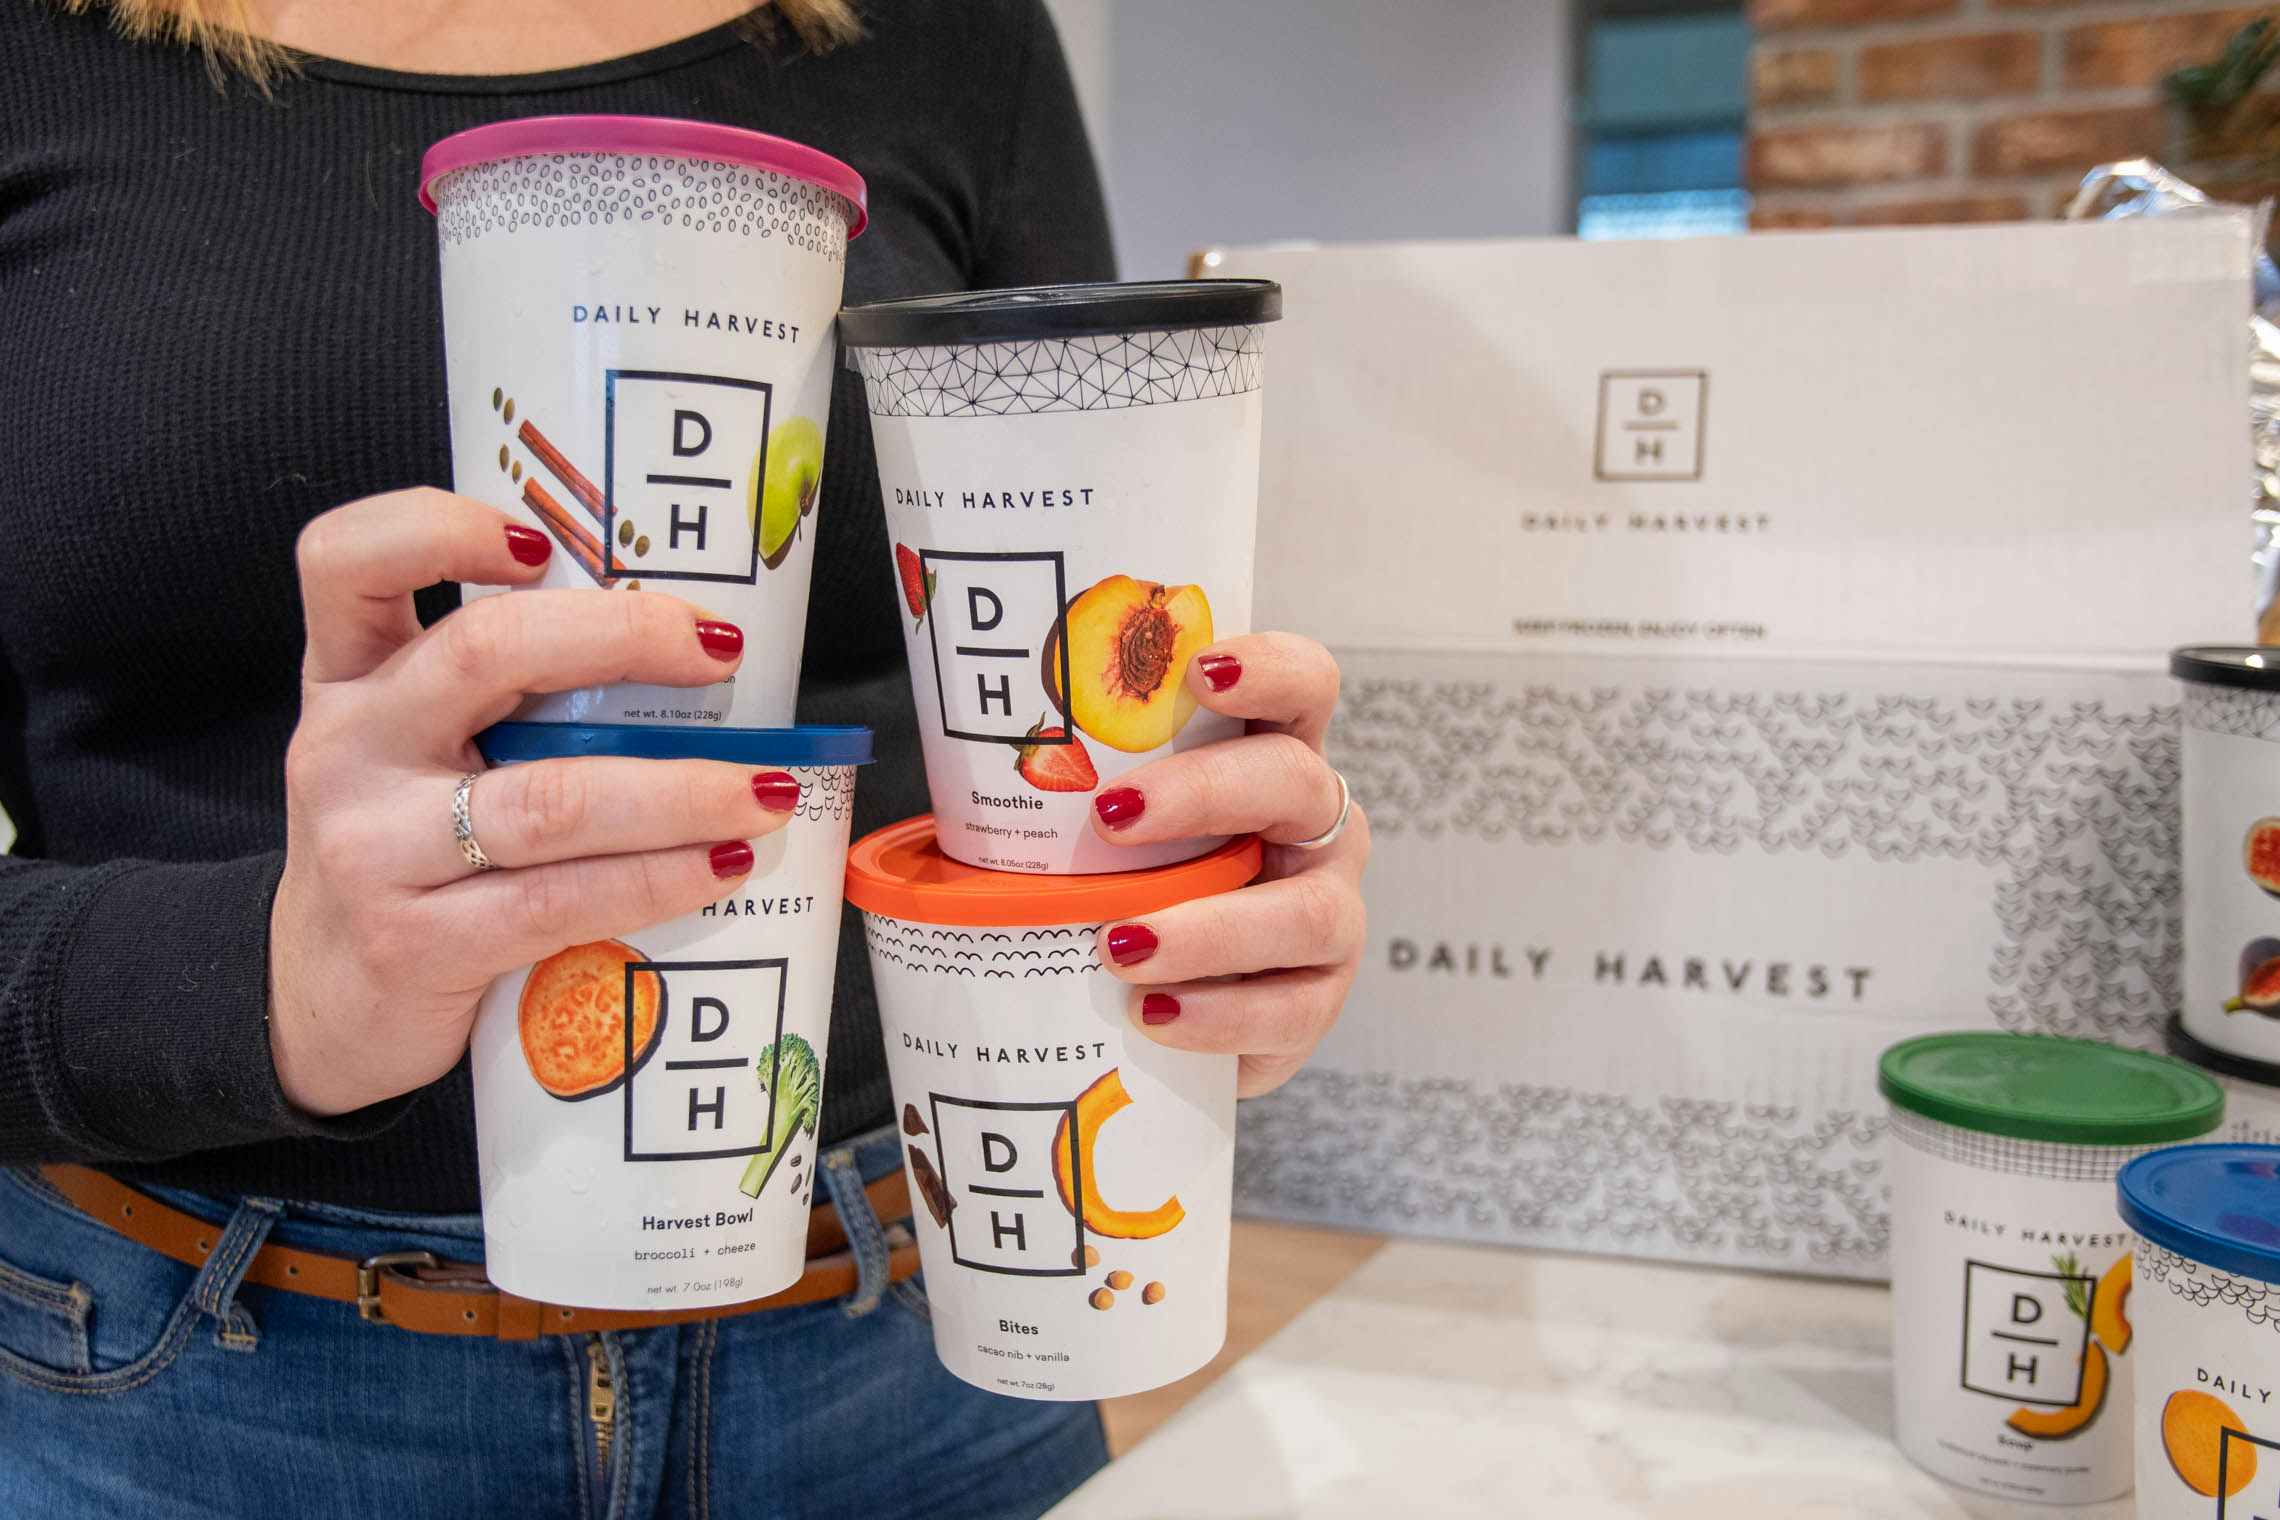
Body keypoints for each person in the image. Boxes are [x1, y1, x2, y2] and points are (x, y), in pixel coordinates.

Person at [0, 1, 1370, 1516]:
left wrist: (1213, 889)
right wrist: (265, 985)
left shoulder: (951, 27)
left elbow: (1076, 549)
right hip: (203, 1383)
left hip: (918, 1329)